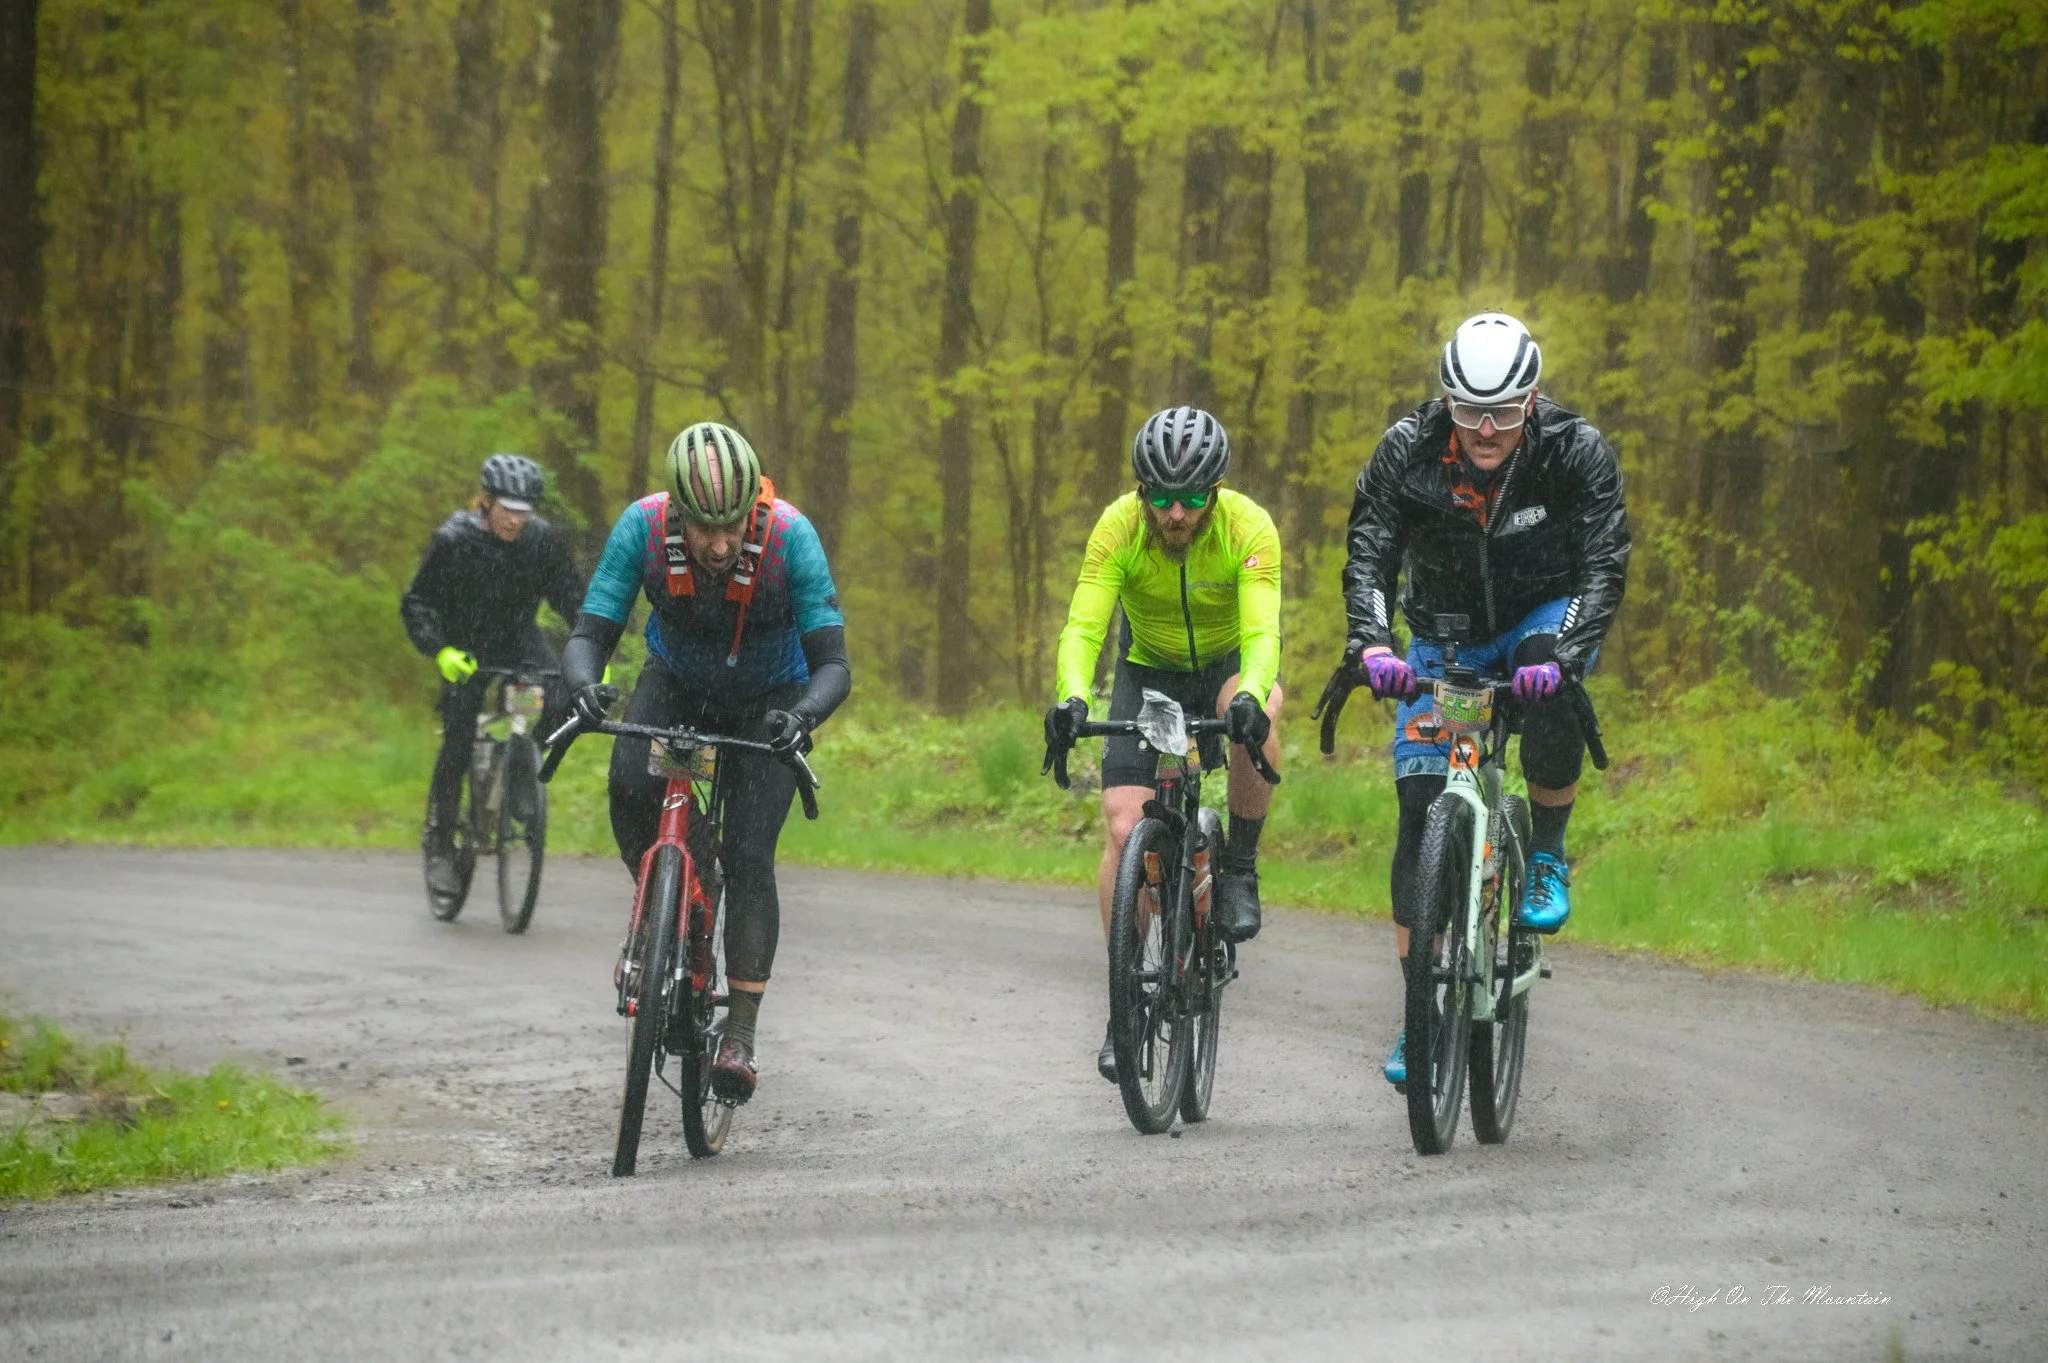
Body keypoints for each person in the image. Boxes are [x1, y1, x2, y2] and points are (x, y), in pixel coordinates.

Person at [1339, 312, 1629, 1087]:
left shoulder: (1576, 451)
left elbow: (1605, 563)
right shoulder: (1406, 452)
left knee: (1556, 689)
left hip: (1544, 614)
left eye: (1504, 410)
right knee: (1417, 811)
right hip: (1446, 633)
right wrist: (1372, 642)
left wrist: (1566, 653)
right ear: (1448, 401)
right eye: (1470, 410)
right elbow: (1369, 549)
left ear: (1532, 399)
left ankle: (1545, 853)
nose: (1488, 428)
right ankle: (1419, 1014)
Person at [560, 422, 850, 1103]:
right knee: (630, 782)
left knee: (750, 853)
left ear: (756, 506)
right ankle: (664, 901)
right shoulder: (641, 528)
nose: (721, 545)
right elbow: (589, 633)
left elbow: (834, 663)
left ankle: (740, 1030)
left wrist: (802, 716)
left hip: (771, 698)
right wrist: (584, 683)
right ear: (678, 514)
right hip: (678, 683)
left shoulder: (790, 538)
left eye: (735, 527)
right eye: (704, 529)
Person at [1046, 405, 1284, 1083]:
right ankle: (1125, 998)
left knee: (1264, 703)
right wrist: (1071, 696)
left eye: (1191, 498)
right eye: (1161, 497)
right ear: (1140, 490)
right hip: (1147, 670)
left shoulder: (1248, 526)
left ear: (1216, 491)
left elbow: (1264, 632)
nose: (1176, 513)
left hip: (1226, 665)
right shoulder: (1119, 526)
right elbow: (1084, 624)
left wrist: (1247, 695)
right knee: (1125, 828)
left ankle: (1238, 864)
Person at [402, 453, 585, 898]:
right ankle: (442, 844)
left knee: (560, 694)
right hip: (463, 644)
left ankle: (523, 767)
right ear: (485, 502)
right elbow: (417, 601)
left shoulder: (540, 541)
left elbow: (571, 598)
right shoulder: (453, 539)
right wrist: (440, 650)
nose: (516, 521)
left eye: (525, 512)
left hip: (518, 639)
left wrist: (589, 649)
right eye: (508, 511)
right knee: (459, 736)